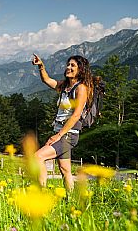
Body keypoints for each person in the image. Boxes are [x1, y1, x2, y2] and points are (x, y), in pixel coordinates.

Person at [32, 54, 93, 191]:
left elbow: (76, 114)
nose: (68, 67)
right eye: (68, 65)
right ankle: (70, 199)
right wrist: (41, 66)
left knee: (38, 157)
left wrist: (58, 135)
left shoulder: (81, 88)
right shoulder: (65, 86)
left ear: (80, 69)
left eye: (73, 65)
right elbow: (47, 80)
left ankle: (41, 194)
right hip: (61, 133)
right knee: (65, 170)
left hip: (68, 135)